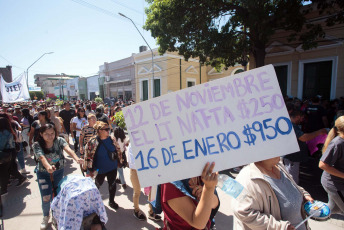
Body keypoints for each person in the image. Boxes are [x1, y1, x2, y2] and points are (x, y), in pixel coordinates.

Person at [233, 157, 314, 230]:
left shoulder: (278, 164)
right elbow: (242, 212)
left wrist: (303, 194)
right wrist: (280, 227)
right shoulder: (246, 178)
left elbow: (290, 185)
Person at [32, 123, 84, 230]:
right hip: (43, 172)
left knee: (59, 193)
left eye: (52, 133)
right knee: (46, 196)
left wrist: (76, 158)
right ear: (41, 134)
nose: (50, 136)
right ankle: (46, 216)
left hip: (58, 171)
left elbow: (68, 149)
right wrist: (48, 167)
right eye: (46, 134)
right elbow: (41, 157)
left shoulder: (59, 140)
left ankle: (59, 213)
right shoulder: (37, 144)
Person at [159, 162, 219, 229]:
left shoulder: (201, 171)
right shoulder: (171, 183)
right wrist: (209, 189)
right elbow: (198, 224)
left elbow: (216, 203)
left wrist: (206, 194)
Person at [84, 121, 122, 210]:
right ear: (100, 130)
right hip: (99, 169)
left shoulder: (112, 139)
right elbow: (88, 155)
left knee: (112, 185)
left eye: (108, 129)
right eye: (106, 129)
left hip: (112, 167)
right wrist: (89, 168)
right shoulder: (93, 142)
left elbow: (118, 150)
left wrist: (120, 161)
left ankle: (111, 201)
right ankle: (92, 201)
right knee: (97, 185)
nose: (109, 130)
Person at [283, 109, 328, 184]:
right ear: (297, 117)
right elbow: (303, 138)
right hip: (292, 157)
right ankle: (293, 193)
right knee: (292, 178)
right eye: (302, 118)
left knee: (291, 175)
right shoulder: (292, 125)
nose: (302, 120)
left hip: (291, 155)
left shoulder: (289, 124)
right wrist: (318, 132)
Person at [319, 116, 344, 215]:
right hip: (335, 184)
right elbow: (322, 165)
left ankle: (310, 212)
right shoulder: (337, 143)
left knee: (333, 209)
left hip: (338, 183)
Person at [0, 117, 17, 196]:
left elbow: (2, 145)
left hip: (5, 153)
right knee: (10, 169)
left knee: (4, 171)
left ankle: (4, 189)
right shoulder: (9, 131)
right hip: (10, 152)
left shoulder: (4, 133)